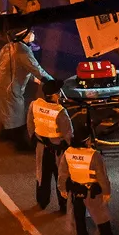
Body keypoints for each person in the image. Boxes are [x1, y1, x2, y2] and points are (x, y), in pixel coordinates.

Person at [0, 28, 53, 150]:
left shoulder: (8, 46)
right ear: (24, 35)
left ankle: (4, 134)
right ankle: (20, 144)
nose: (33, 35)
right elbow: (35, 68)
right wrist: (51, 82)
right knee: (18, 117)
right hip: (12, 90)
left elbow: (18, 67)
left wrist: (34, 79)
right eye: (31, 33)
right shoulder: (23, 51)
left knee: (7, 112)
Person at [58, 123, 115, 235]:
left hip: (76, 192)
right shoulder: (94, 155)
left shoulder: (68, 152)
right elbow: (102, 176)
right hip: (92, 193)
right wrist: (106, 192)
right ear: (87, 140)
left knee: (80, 221)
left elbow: (63, 173)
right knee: (102, 220)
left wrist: (62, 188)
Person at [27, 79, 72, 213]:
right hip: (57, 151)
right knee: (61, 177)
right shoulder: (60, 111)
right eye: (58, 92)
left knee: (42, 176)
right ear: (54, 95)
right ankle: (63, 205)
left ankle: (42, 202)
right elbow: (68, 134)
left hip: (41, 148)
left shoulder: (34, 105)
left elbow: (30, 125)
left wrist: (36, 140)